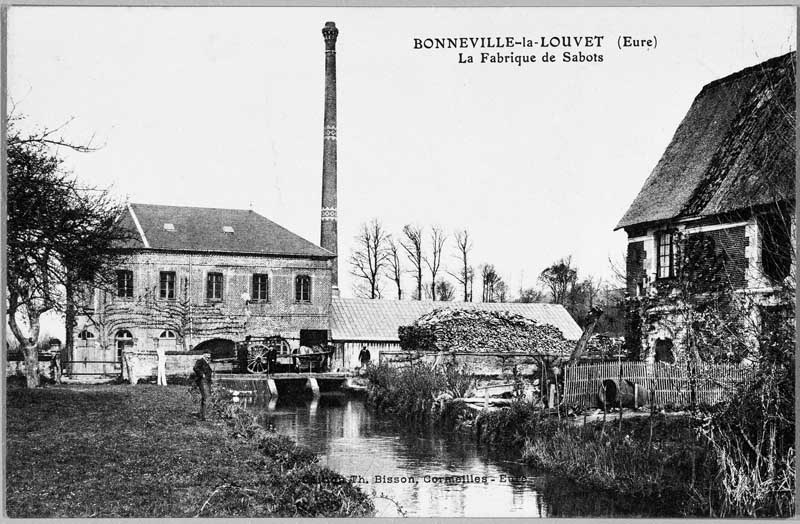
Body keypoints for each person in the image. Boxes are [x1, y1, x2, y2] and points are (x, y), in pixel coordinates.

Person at [193, 352, 213, 420]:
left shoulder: (207, 362)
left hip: (207, 381)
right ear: (204, 354)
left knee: (205, 398)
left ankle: (202, 414)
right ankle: (204, 416)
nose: (209, 356)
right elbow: (195, 368)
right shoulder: (200, 361)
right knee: (206, 397)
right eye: (207, 354)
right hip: (202, 381)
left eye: (209, 355)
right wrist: (202, 374)